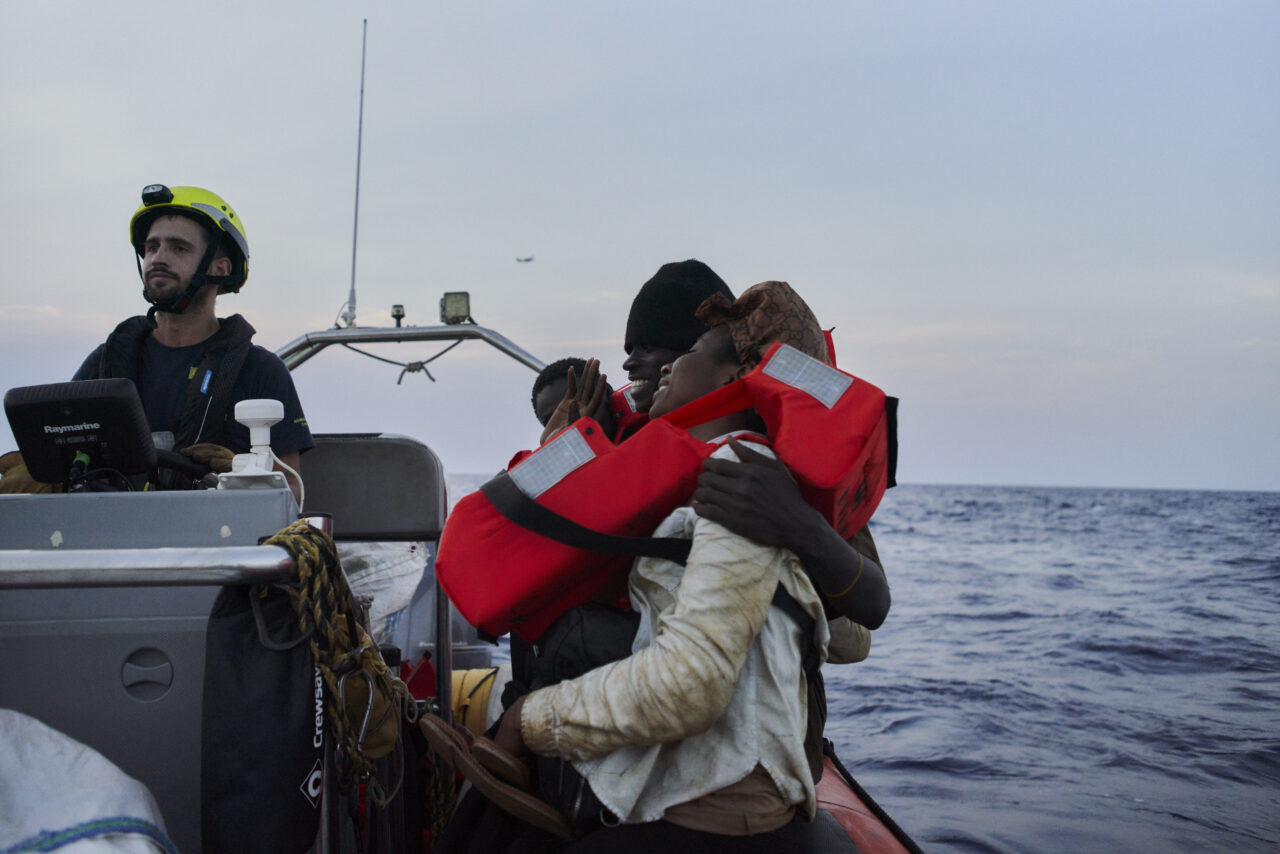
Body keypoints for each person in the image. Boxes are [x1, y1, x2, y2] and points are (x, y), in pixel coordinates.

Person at [495, 281, 868, 850]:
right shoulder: (655, 450)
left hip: (720, 792)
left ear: (728, 374)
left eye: (667, 351)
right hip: (663, 763)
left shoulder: (742, 475)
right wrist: (566, 448)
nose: (632, 365)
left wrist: (530, 721)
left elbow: (701, 678)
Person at [71, 184, 312, 500]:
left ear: (220, 267)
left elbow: (291, 492)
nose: (158, 258)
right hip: (112, 542)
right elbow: (61, 457)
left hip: (221, 543)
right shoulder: (104, 364)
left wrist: (240, 473)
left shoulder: (260, 371)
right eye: (152, 246)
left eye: (179, 248)